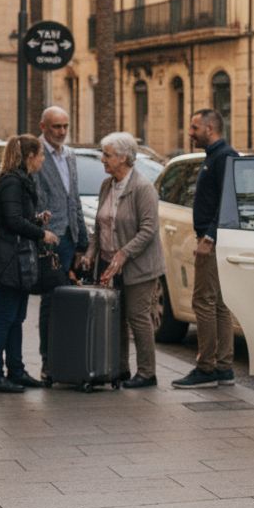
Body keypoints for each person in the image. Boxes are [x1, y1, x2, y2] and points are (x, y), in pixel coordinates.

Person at [83, 132, 166, 389]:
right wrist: (90, 253)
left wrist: (124, 253)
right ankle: (119, 369)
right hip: (109, 264)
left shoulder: (143, 188)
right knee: (115, 317)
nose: (102, 160)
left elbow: (149, 229)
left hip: (139, 266)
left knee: (137, 317)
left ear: (123, 158)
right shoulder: (106, 185)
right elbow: (100, 225)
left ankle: (147, 373)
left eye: (107, 155)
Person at [0, 135, 59, 394]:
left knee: (16, 318)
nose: (42, 160)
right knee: (5, 318)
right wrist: (41, 233)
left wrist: (37, 219)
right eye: (40, 155)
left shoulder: (20, 181)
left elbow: (16, 217)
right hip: (8, 260)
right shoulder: (12, 182)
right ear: (30, 156)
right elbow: (12, 221)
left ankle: (16, 371)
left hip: (19, 259)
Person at [173, 109, 240, 389]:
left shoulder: (223, 157)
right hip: (215, 238)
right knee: (219, 304)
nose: (190, 133)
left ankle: (207, 367)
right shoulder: (214, 156)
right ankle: (223, 367)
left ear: (210, 128)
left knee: (203, 302)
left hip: (213, 241)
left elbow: (228, 201)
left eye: (194, 128)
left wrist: (209, 237)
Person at [34, 106, 89, 380]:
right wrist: (41, 233)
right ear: (43, 127)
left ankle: (66, 359)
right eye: (56, 126)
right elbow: (35, 199)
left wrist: (82, 240)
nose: (62, 131)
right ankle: (48, 361)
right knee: (50, 301)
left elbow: (73, 198)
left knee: (67, 300)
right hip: (49, 238)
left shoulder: (69, 155)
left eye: (65, 126)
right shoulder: (35, 154)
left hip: (69, 236)